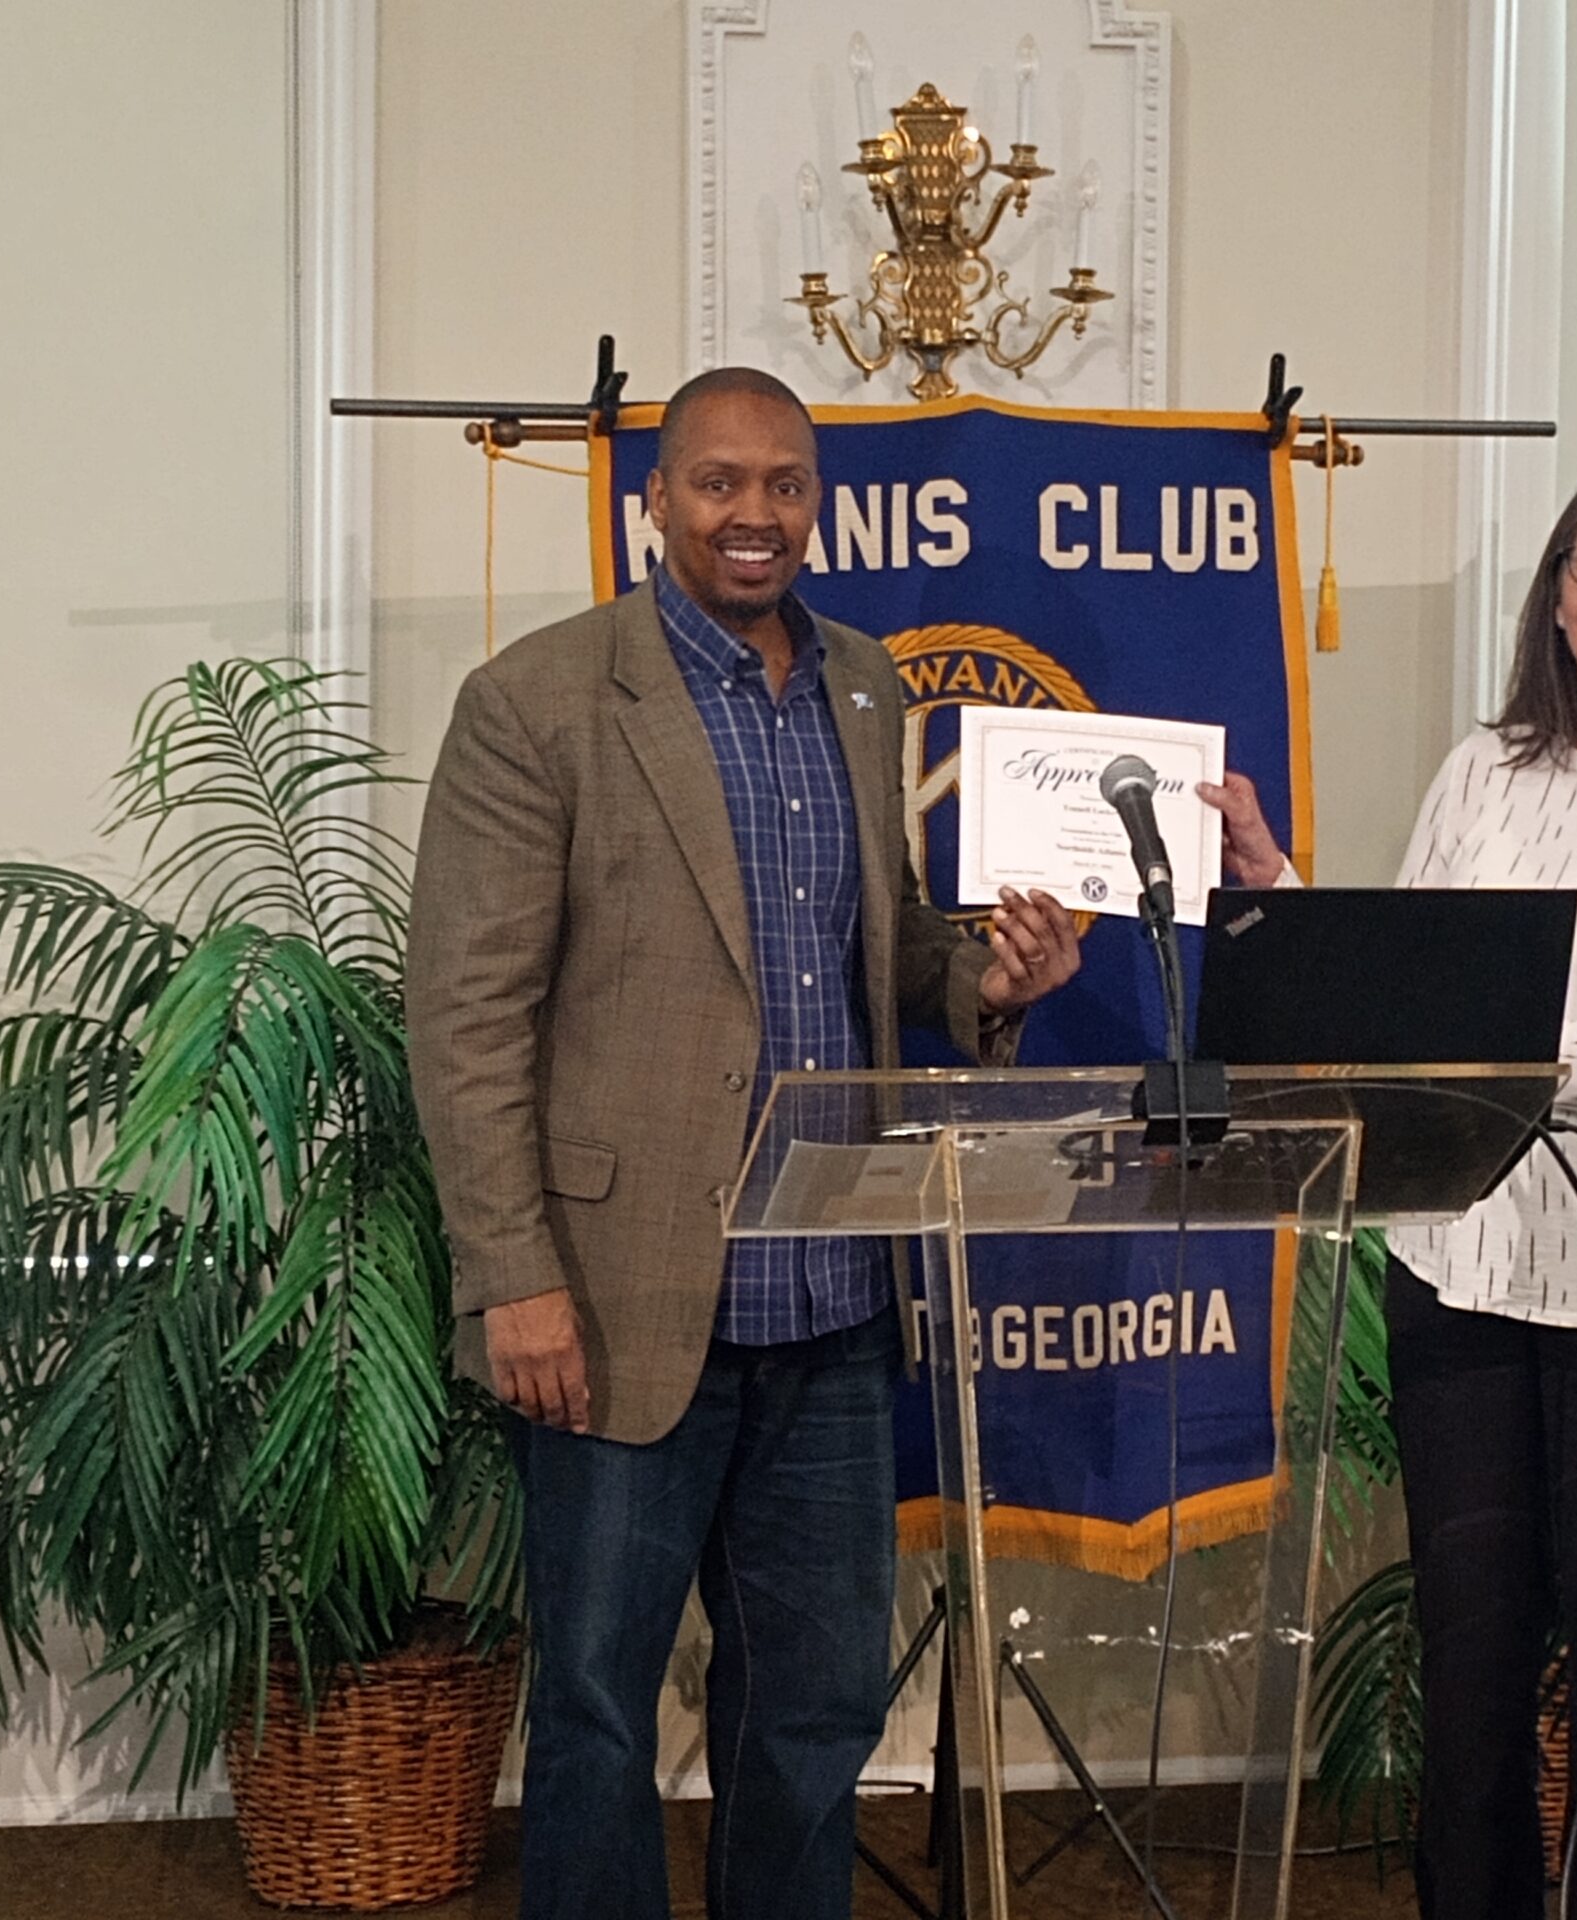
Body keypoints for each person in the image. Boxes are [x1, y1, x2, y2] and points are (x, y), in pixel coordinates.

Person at [405, 367, 1081, 1920]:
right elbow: (466, 1017)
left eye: (785, 483)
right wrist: (512, 1274)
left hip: (833, 1301)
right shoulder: (538, 701)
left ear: (817, 501)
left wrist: (989, 983)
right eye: (719, 482)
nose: (754, 513)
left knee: (817, 1714)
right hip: (617, 1299)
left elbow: (883, 942)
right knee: (596, 1708)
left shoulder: (865, 684)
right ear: (656, 500)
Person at [1199, 461, 1577, 1920]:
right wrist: (1276, 881)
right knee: (1468, 1683)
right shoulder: (1485, 771)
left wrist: (1469, 1047)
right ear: (1557, 597)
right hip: (1464, 1279)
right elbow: (1404, 983)